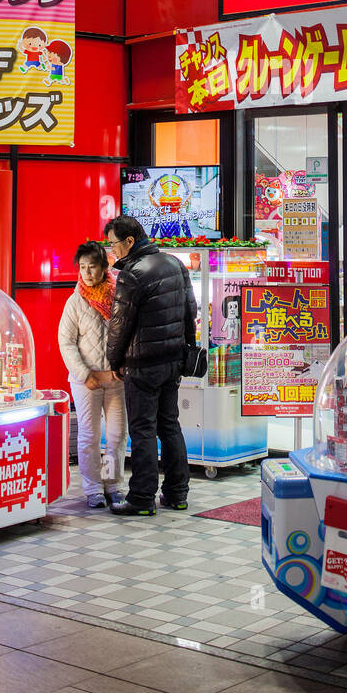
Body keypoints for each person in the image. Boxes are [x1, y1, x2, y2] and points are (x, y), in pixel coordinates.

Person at [104, 215, 197, 516]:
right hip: (173, 361)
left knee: (142, 429)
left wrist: (114, 360)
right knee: (169, 425)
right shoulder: (175, 264)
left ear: (129, 241)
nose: (112, 250)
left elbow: (120, 324)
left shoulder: (132, 273)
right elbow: (190, 312)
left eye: (114, 244)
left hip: (142, 364)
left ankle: (142, 498)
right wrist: (187, 348)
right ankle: (177, 494)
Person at [58, 241, 128, 510]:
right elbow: (66, 342)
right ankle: (93, 488)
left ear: (104, 267)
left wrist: (124, 367)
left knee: (117, 435)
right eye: (83, 267)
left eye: (93, 267)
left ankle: (112, 484)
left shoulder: (119, 297)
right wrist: (83, 373)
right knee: (89, 436)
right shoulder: (75, 302)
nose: (87, 273)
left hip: (115, 380)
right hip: (86, 380)